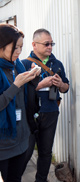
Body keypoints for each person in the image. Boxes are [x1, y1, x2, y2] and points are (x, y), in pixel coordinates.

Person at [21, 28, 69, 182]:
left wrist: (61, 84)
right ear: (34, 44)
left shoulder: (57, 64)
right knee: (26, 152)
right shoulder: (24, 64)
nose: (50, 47)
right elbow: (18, 92)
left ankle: (41, 180)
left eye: (51, 44)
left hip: (51, 112)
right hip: (30, 116)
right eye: (46, 44)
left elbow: (66, 88)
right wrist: (40, 85)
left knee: (46, 152)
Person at [0, 24, 41, 182]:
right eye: (15, 47)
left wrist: (33, 77)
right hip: (3, 144)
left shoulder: (17, 65)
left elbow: (25, 97)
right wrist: (15, 85)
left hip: (21, 138)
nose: (19, 52)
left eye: (21, 47)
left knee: (16, 178)